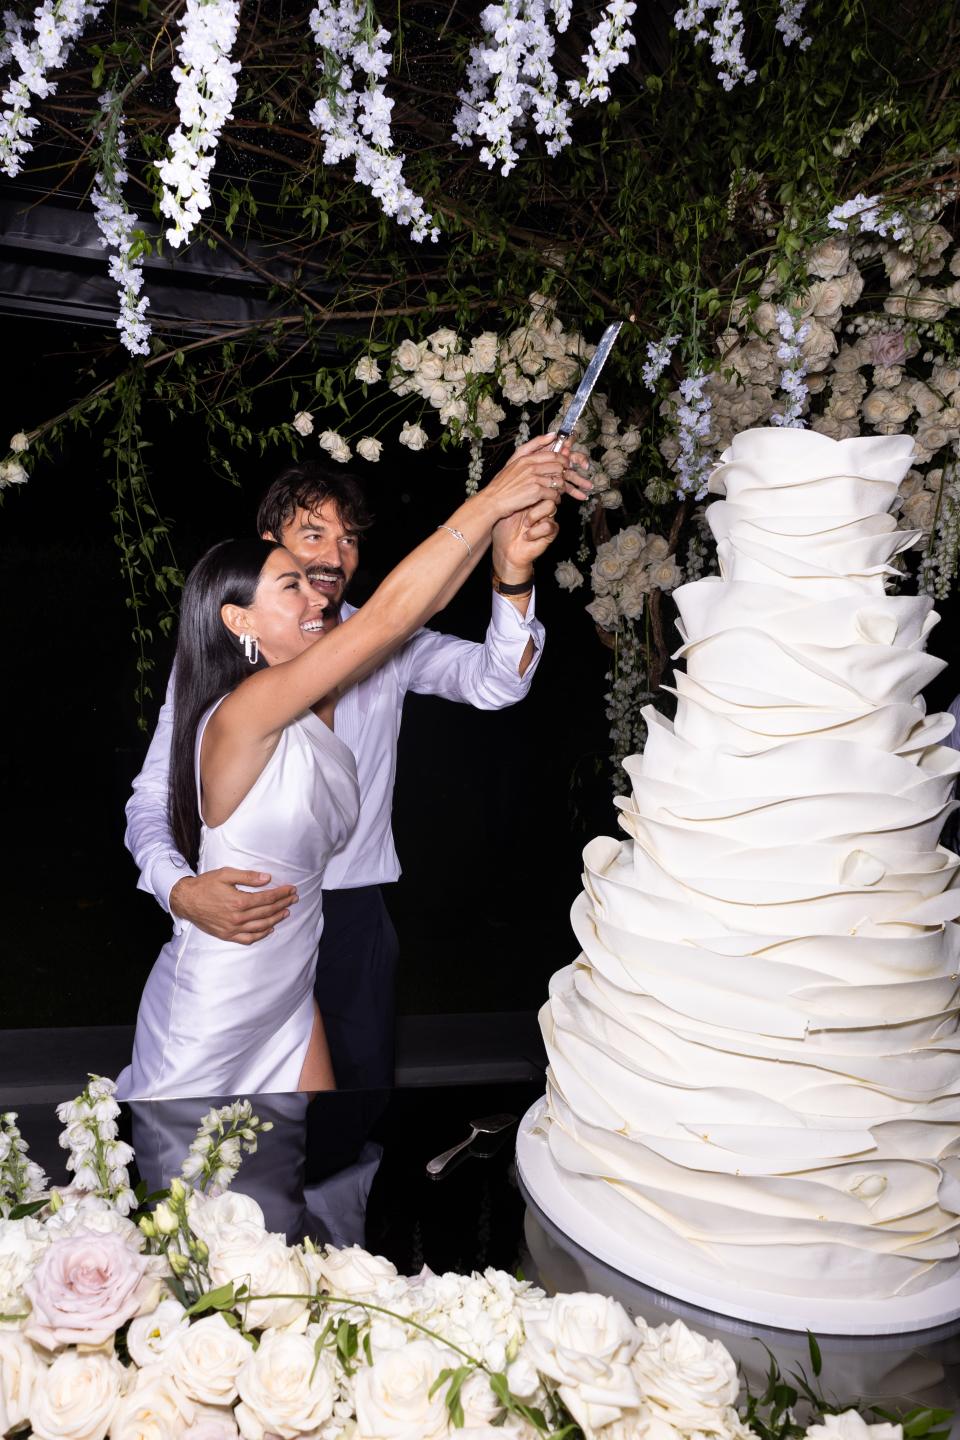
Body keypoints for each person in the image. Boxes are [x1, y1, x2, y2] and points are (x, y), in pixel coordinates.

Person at [117, 437, 585, 1100]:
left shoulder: (379, 636)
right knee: (218, 1144)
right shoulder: (227, 679)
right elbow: (151, 798)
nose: (332, 558)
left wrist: (510, 574)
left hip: (350, 917)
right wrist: (179, 890)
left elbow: (494, 682)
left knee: (348, 1119)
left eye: (349, 540)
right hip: (247, 921)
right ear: (267, 545)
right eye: (310, 536)